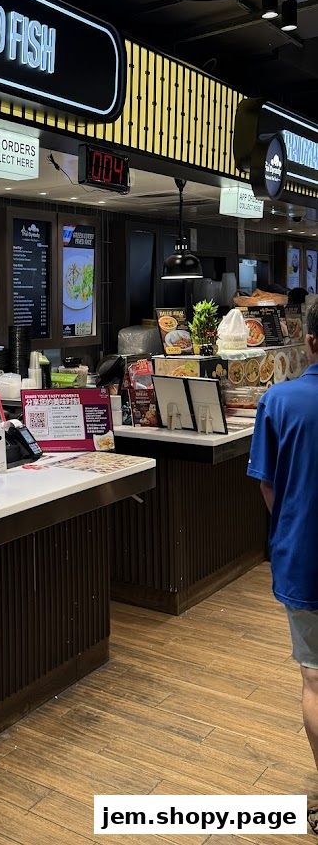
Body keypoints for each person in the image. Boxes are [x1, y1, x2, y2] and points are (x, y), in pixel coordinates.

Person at [248, 300, 318, 796]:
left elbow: (269, 487)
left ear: (309, 340)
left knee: (316, 680)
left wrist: (295, 525)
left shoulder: (280, 401)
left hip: (304, 558)